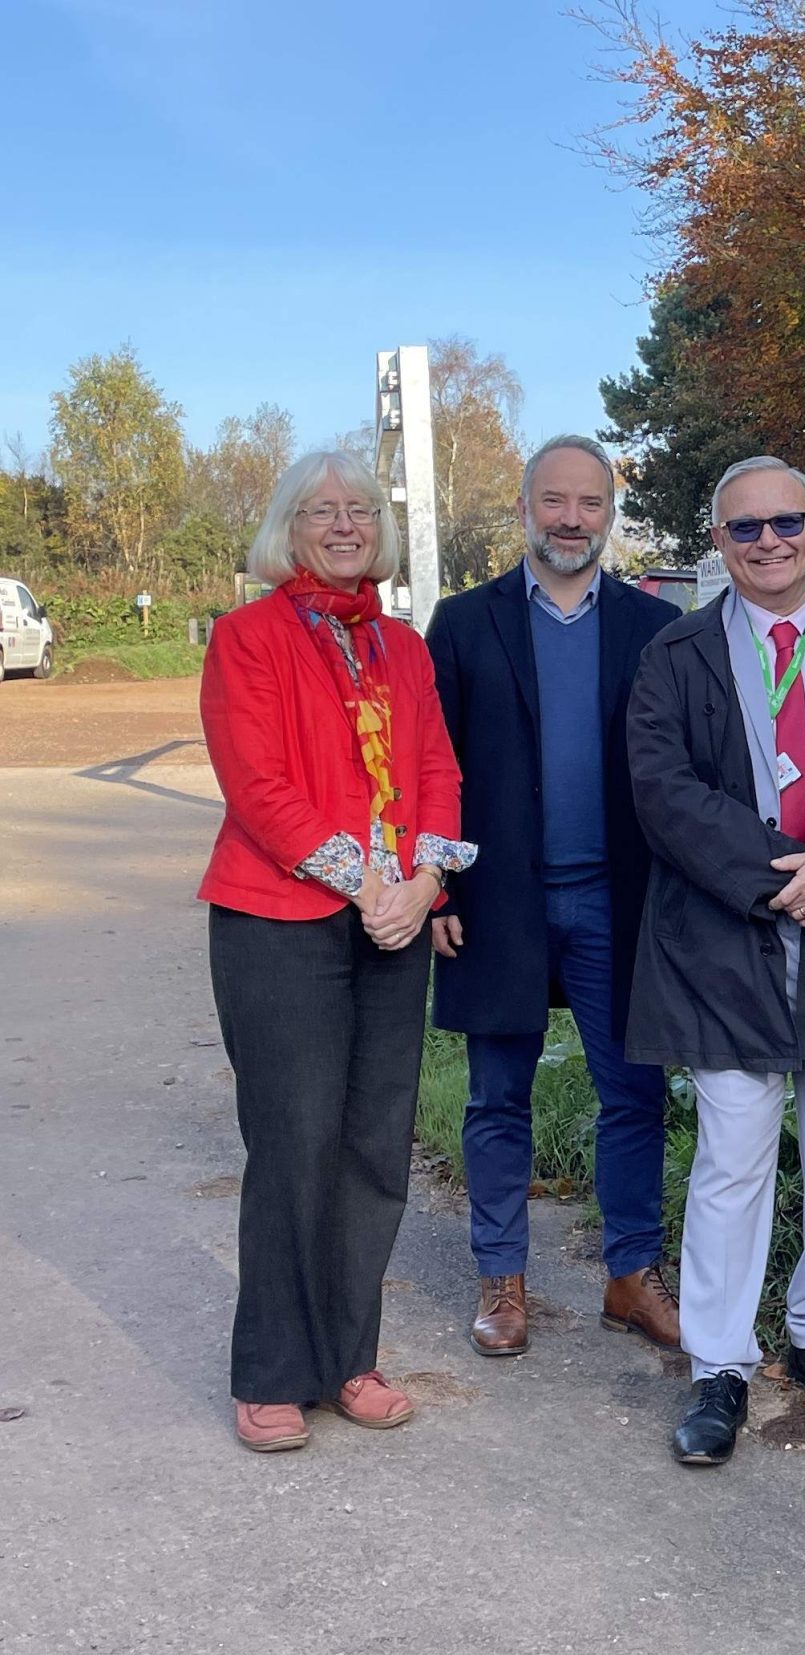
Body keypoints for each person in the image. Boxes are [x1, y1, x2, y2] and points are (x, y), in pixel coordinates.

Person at [624, 455, 805, 1466]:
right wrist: (774, 876)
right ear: (717, 541)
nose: (767, 542)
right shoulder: (675, 653)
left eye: (785, 522)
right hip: (726, 940)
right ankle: (719, 1365)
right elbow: (661, 789)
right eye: (744, 529)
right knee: (732, 1160)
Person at [198, 450, 477, 1453]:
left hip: (394, 922)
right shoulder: (249, 636)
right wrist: (363, 881)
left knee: (372, 1146)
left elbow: (440, 768)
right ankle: (273, 1370)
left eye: (362, 509)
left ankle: (348, 1356)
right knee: (294, 1143)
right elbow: (257, 782)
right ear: (290, 527)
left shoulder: (403, 647)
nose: (346, 524)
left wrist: (425, 883)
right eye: (324, 510)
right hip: (279, 921)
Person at [424, 436, 681, 1358]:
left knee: (635, 1092)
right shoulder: (463, 623)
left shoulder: (651, 629)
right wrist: (439, 885)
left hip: (619, 901)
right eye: (554, 502)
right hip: (498, 900)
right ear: (524, 507)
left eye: (590, 504)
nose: (571, 519)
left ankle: (630, 1273)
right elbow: (432, 763)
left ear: (610, 515)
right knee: (497, 1097)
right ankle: (502, 1276)